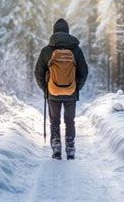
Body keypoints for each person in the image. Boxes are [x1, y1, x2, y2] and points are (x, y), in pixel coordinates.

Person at [34, 18, 89, 160]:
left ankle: (56, 148)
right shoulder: (76, 50)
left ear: (54, 32)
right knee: (70, 121)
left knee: (54, 121)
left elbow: (38, 72)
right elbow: (84, 72)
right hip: (71, 92)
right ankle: (70, 148)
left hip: (52, 93)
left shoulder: (47, 51)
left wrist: (46, 88)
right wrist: (76, 87)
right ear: (68, 32)